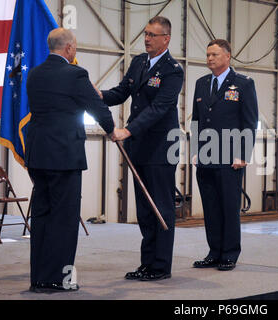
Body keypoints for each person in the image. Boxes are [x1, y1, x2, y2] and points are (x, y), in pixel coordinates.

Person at [26, 28, 119, 293]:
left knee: (42, 215)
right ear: (69, 48)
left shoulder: (34, 74)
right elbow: (97, 107)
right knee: (64, 219)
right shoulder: (76, 74)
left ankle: (39, 278)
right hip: (64, 156)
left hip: (38, 154)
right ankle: (59, 278)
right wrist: (112, 130)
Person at [95, 16, 183, 281]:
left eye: (152, 35)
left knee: (161, 207)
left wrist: (127, 130)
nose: (146, 39)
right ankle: (147, 263)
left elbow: (159, 108)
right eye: (145, 34)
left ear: (165, 38)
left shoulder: (173, 70)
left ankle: (161, 266)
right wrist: (99, 95)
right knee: (144, 209)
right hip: (139, 147)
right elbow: (122, 92)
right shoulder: (138, 63)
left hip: (160, 147)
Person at [191, 39, 258, 271]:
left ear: (228, 56)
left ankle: (229, 253)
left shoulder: (243, 84)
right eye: (208, 54)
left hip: (230, 158)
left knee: (229, 206)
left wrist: (243, 154)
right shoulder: (201, 84)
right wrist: (195, 151)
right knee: (210, 207)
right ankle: (214, 252)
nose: (210, 58)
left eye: (215, 55)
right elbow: (196, 121)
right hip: (206, 157)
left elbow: (250, 122)